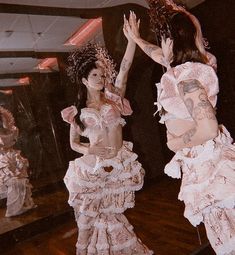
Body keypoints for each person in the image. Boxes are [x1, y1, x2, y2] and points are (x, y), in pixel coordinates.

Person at [125, 1, 235, 254]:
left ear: (172, 43)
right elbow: (158, 53)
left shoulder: (187, 76)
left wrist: (175, 143)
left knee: (225, 234)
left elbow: (208, 129)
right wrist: (138, 39)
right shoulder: (199, 64)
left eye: (164, 39)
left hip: (206, 162)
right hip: (205, 161)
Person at [61, 15, 153, 255]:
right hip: (93, 166)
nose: (101, 79)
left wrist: (132, 39)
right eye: (95, 76)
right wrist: (88, 149)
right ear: (84, 80)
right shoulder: (77, 111)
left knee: (111, 215)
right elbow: (73, 143)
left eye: (102, 75)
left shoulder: (113, 98)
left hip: (118, 163)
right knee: (88, 220)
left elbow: (124, 67)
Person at [0, 106, 35, 217]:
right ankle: (14, 207)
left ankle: (21, 205)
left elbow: (11, 135)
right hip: (2, 158)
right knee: (12, 179)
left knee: (20, 178)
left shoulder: (12, 129)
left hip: (11, 155)